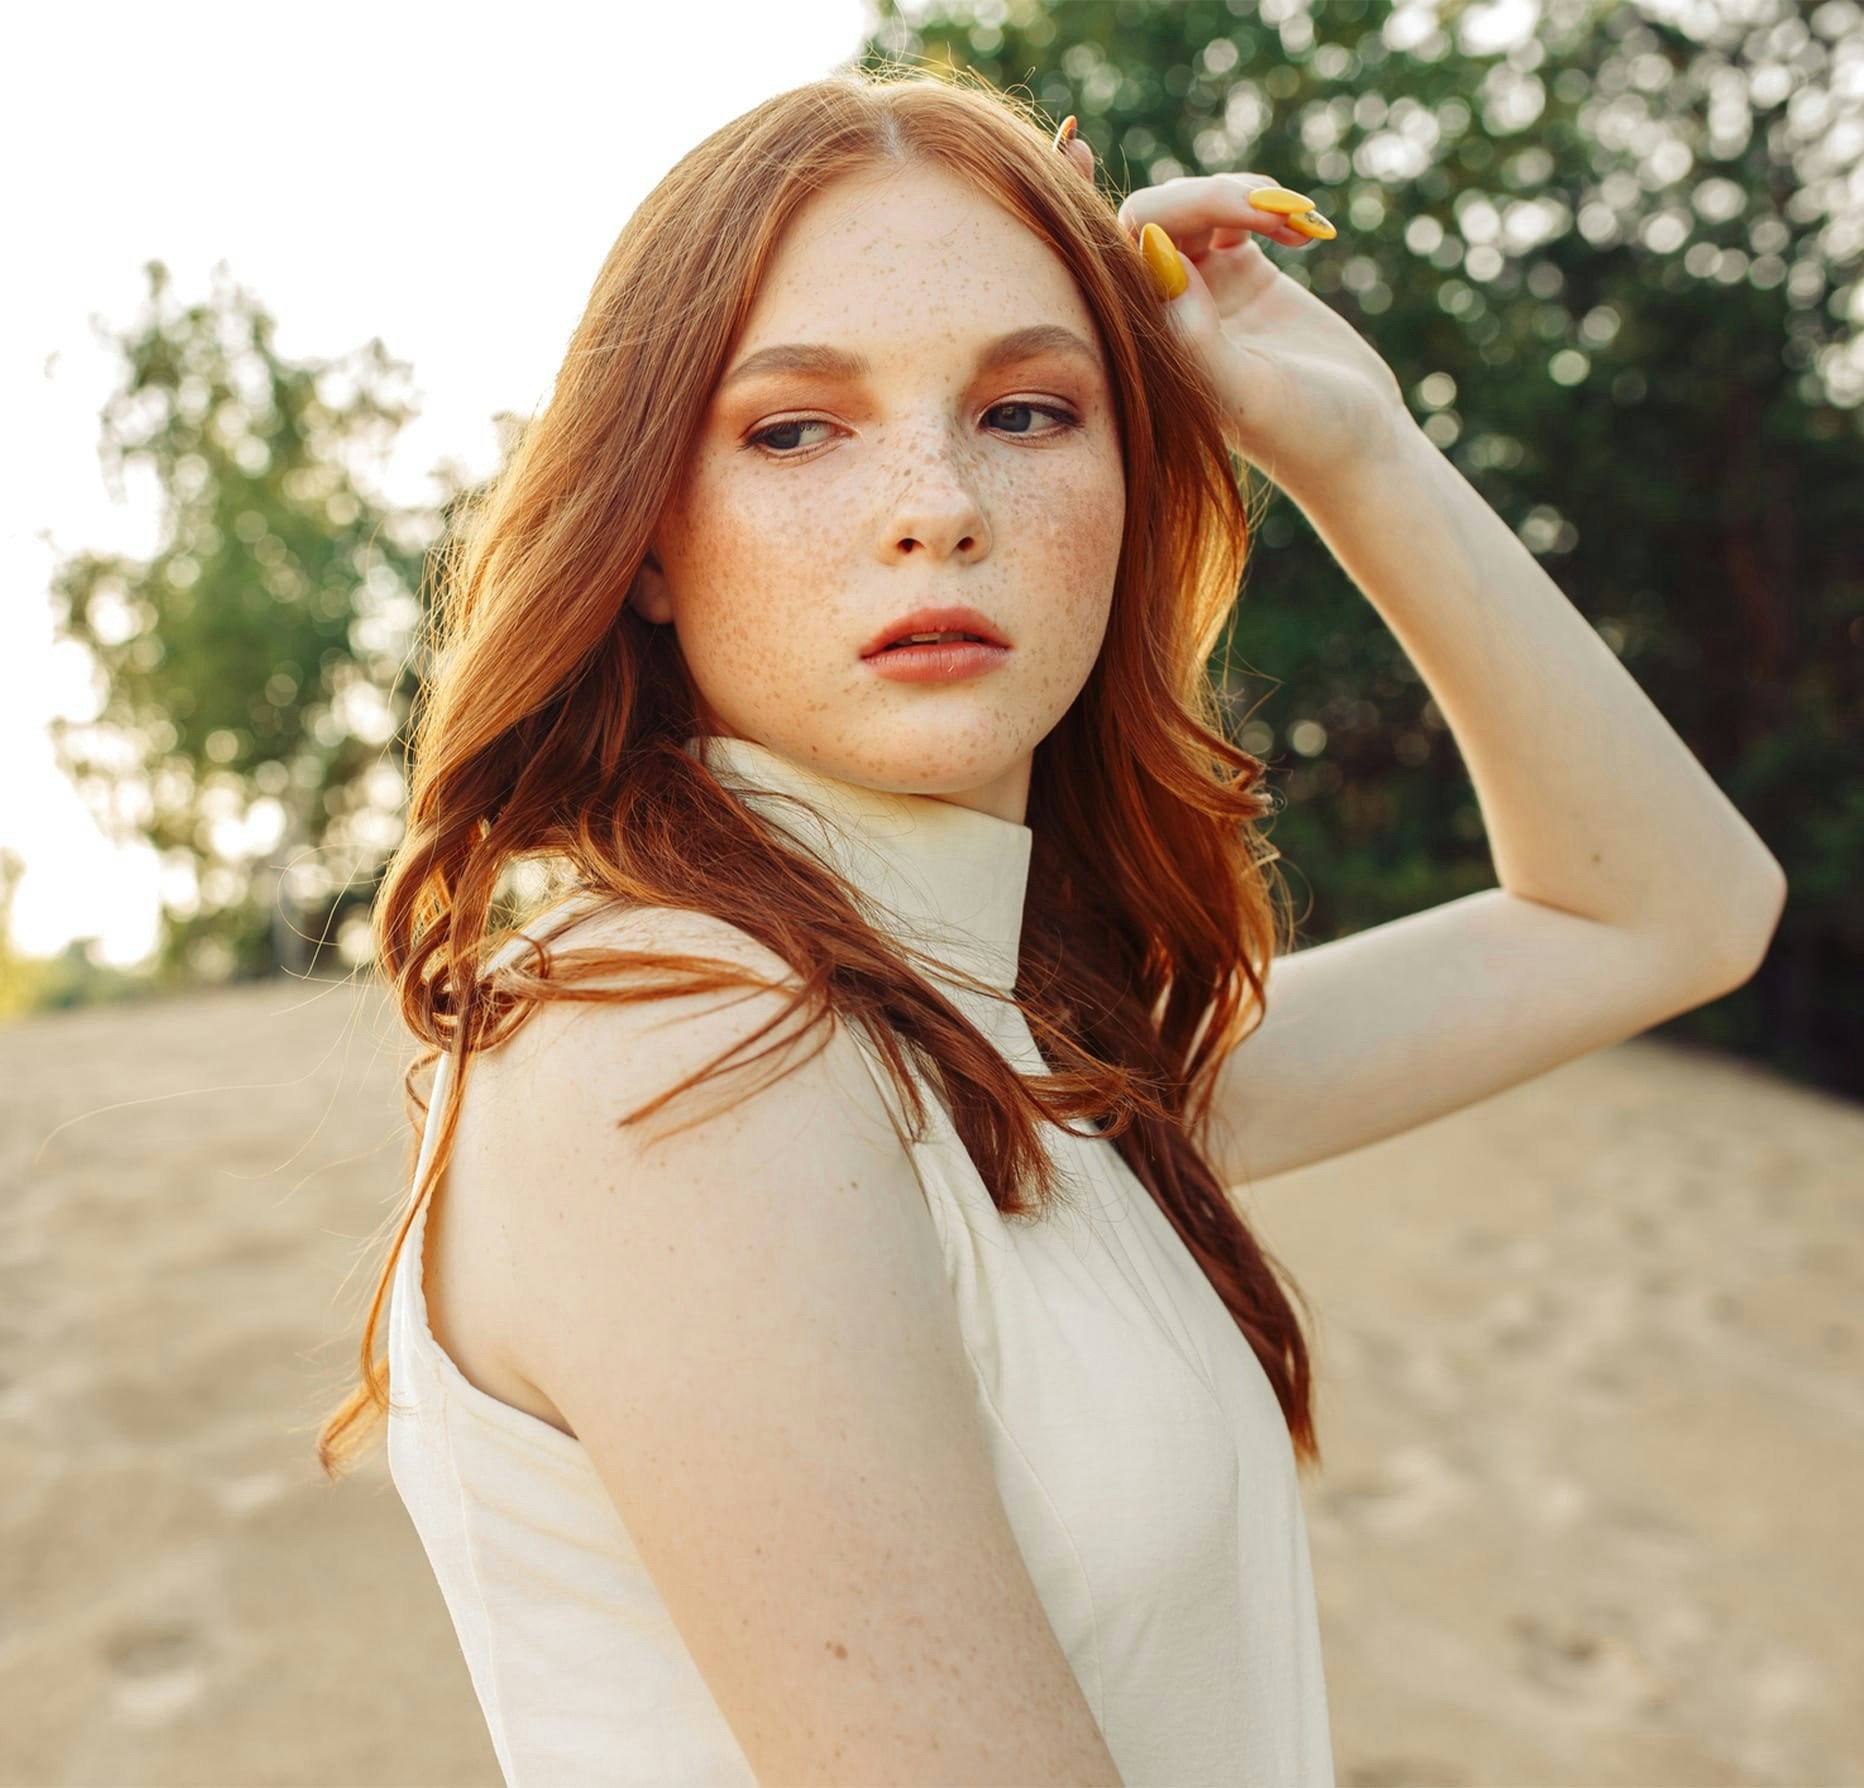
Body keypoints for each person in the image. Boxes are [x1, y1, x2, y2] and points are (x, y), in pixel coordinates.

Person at [315, 62, 1786, 1788]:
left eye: (1028, 412)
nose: (938, 499)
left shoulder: (1021, 1038)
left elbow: (1668, 913)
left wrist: (1350, 439)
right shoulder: (682, 1043)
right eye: (794, 428)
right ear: (644, 538)